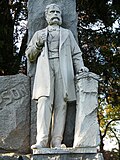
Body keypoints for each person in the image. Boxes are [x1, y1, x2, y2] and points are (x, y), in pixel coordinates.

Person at [25, 3, 89, 149]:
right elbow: (30, 56)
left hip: (63, 70)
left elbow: (76, 54)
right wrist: (38, 44)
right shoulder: (38, 34)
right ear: (46, 16)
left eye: (57, 12)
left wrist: (80, 68)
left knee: (61, 105)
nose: (55, 14)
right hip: (45, 71)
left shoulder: (67, 34)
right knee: (44, 103)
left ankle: (56, 141)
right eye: (52, 12)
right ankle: (41, 140)